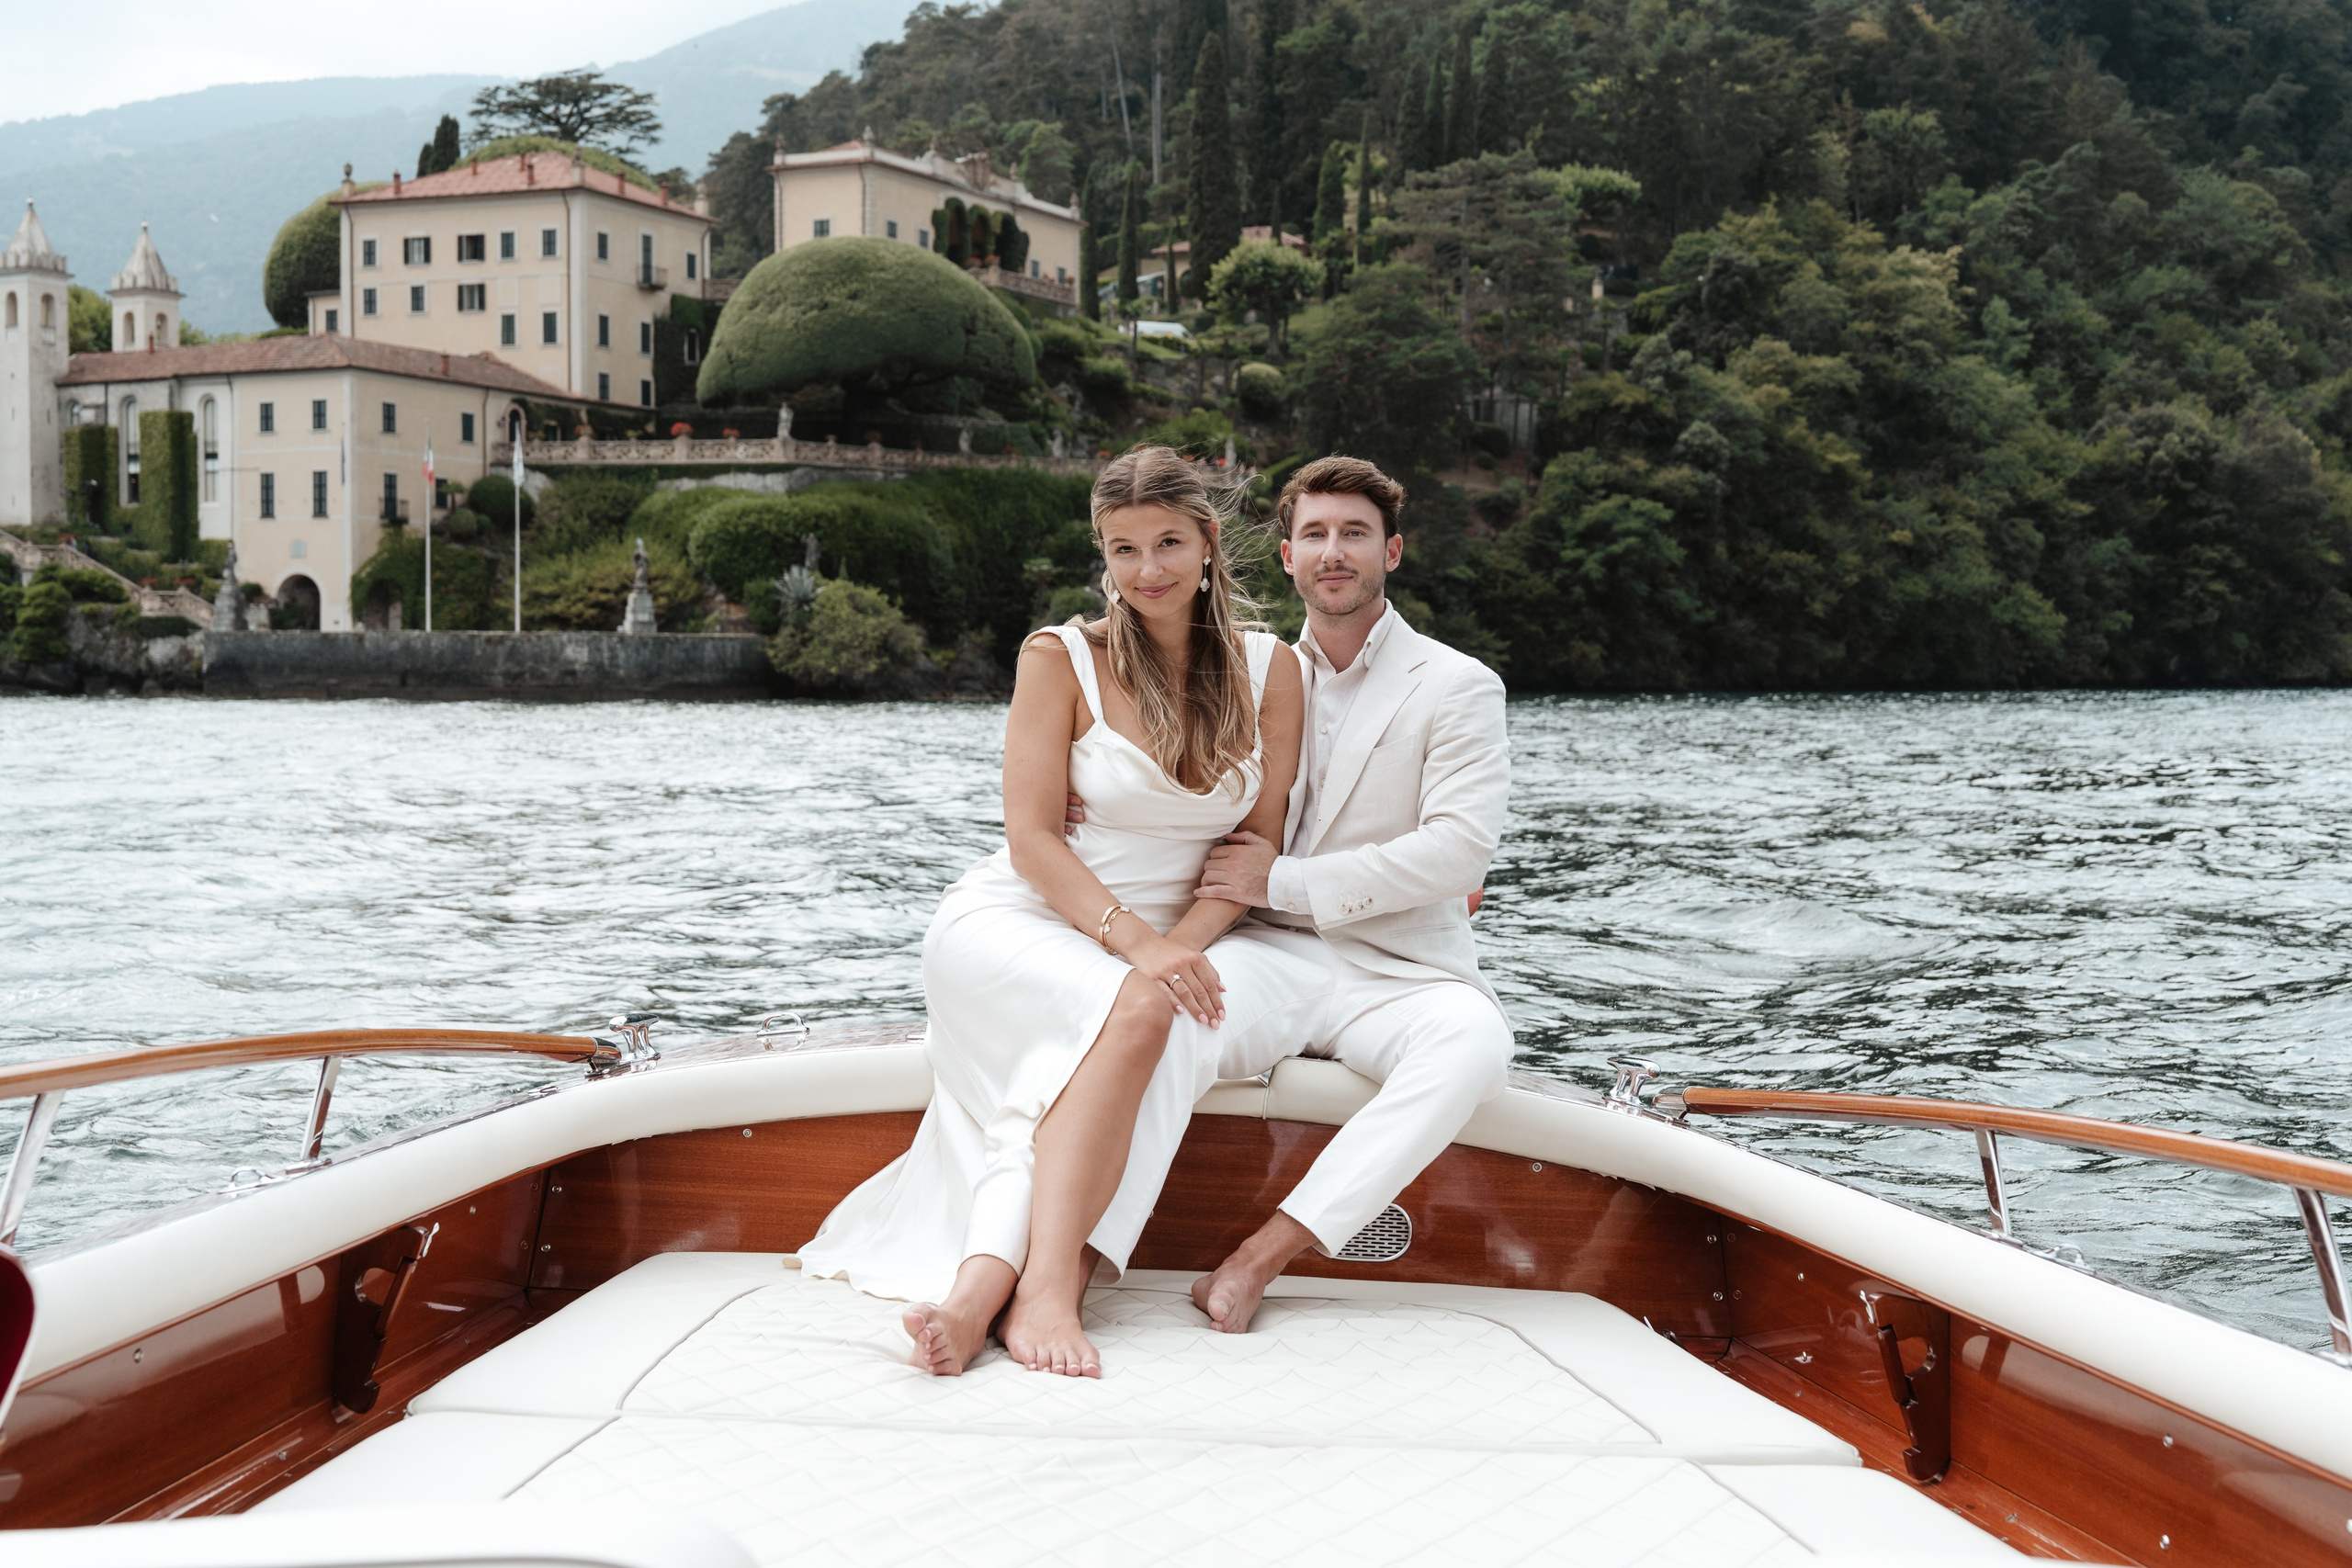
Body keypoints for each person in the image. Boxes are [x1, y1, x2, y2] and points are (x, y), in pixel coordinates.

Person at [797, 446, 1306, 1379]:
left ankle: (979, 1292)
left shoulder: (1272, 670)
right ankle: (1044, 1293)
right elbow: (1033, 840)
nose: (1145, 571)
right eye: (1121, 549)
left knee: (1072, 1065)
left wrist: (1178, 945)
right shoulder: (1060, 657)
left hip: (1149, 940)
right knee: (1137, 1007)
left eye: (1165, 543)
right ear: (1101, 555)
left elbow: (1253, 853)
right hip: (1022, 921)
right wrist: (1140, 947)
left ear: (1208, 543)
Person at [1074, 454, 1514, 1335]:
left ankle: (1258, 1258)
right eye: (1314, 534)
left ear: (1393, 551)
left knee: (1475, 1048)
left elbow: (1459, 848)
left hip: (1400, 970)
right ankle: (1074, 1264)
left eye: (1354, 533)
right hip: (1264, 951)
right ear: (1285, 557)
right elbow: (1150, 772)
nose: (1333, 551)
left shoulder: (1457, 684)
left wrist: (1282, 878)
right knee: (1157, 1024)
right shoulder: (1240, 669)